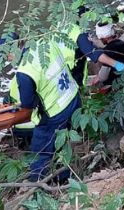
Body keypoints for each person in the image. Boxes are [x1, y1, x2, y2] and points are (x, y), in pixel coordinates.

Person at [15, 37, 81, 181]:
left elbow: (28, 104)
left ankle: (38, 186)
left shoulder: (25, 70)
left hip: (54, 111)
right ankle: (66, 174)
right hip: (73, 96)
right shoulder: (46, 43)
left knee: (41, 152)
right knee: (64, 144)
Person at [72, 22, 124, 88]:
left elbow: (103, 76)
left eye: (100, 38)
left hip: (115, 83)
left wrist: (97, 78)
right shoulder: (123, 43)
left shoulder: (108, 50)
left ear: (104, 38)